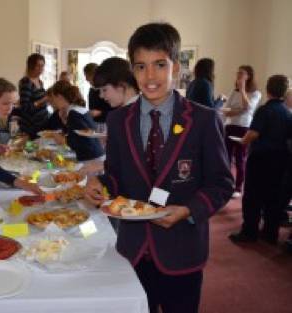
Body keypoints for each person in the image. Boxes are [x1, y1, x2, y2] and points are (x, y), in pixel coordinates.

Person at [84, 22, 233, 313]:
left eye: (159, 65)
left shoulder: (203, 120)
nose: (150, 76)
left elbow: (221, 184)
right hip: (135, 250)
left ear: (176, 67)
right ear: (132, 70)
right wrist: (102, 186)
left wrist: (189, 210)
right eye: (141, 66)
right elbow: (116, 176)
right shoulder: (119, 121)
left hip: (182, 250)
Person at [229, 75, 292, 244]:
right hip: (281, 160)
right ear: (284, 92)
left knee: (252, 197)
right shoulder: (287, 113)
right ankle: (270, 233)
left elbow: (253, 133)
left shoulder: (264, 110)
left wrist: (242, 141)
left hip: (261, 159)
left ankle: (249, 232)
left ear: (268, 89)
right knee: (273, 197)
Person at [222, 65, 261, 198]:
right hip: (230, 126)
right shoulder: (234, 91)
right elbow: (225, 110)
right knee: (225, 158)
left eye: (242, 73)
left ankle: (238, 188)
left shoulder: (256, 93)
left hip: (243, 128)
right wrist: (239, 110)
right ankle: (226, 184)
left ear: (249, 76)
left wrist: (243, 89)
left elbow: (249, 108)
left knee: (240, 159)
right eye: (237, 73)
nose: (238, 75)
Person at [50, 80, 105, 163]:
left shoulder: (73, 113)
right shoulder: (78, 109)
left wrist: (63, 140)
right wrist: (65, 122)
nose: (53, 103)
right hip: (97, 155)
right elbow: (78, 133)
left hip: (91, 159)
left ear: (59, 97)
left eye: (54, 99)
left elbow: (81, 141)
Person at [12, 53, 50, 138]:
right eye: (38, 66)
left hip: (42, 123)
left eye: (43, 66)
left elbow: (40, 102)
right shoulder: (26, 82)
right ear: (31, 66)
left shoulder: (40, 81)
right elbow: (25, 108)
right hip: (31, 126)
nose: (41, 69)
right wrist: (43, 100)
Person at [84, 63, 113, 132]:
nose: (86, 79)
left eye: (88, 76)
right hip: (95, 124)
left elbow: (116, 112)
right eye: (85, 76)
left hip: (108, 124)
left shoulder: (109, 89)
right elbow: (92, 108)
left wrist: (100, 113)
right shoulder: (92, 90)